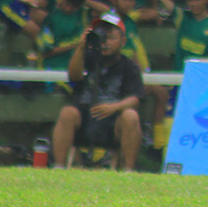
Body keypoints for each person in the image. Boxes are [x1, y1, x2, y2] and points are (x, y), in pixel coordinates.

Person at [50, 12, 144, 171]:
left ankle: (129, 170)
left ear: (123, 41)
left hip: (113, 121)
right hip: (85, 117)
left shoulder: (129, 67)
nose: (106, 43)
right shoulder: (88, 58)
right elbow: (74, 75)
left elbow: (136, 98)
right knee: (67, 112)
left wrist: (113, 107)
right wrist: (81, 47)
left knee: (131, 116)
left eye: (111, 38)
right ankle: (59, 167)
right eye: (102, 37)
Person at [106, 0, 170, 150]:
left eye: (131, 0)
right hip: (113, 76)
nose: (127, 3)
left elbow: (133, 51)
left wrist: (141, 71)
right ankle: (106, 147)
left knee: (162, 93)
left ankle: (158, 145)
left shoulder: (130, 21)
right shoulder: (108, 20)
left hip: (130, 75)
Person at [37, 0, 90, 71]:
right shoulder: (51, 18)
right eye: (67, 4)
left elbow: (107, 11)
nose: (69, 9)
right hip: (53, 69)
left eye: (74, 7)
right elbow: (46, 53)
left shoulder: (82, 13)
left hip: (76, 69)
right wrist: (76, 45)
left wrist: (84, 1)